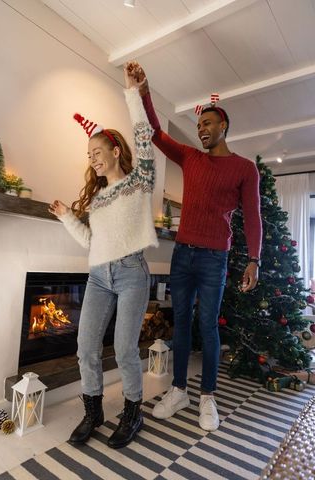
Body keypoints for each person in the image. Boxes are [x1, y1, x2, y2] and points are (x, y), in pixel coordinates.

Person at [127, 61, 262, 431]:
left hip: (214, 259)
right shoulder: (190, 158)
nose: (201, 129)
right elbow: (155, 132)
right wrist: (144, 92)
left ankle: (207, 397)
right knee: (181, 323)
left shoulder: (244, 169)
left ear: (224, 126)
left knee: (208, 326)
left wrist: (254, 259)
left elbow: (253, 216)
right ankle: (179, 389)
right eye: (199, 125)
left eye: (207, 123)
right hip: (183, 253)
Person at [49, 66, 158, 448]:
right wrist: (67, 217)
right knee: (85, 346)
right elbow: (91, 242)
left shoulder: (138, 183)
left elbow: (144, 137)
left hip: (131, 273)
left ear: (115, 151)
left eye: (98, 152)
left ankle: (132, 412)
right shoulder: (97, 199)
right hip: (98, 274)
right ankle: (93, 411)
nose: (92, 159)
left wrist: (133, 93)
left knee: (126, 348)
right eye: (88, 154)